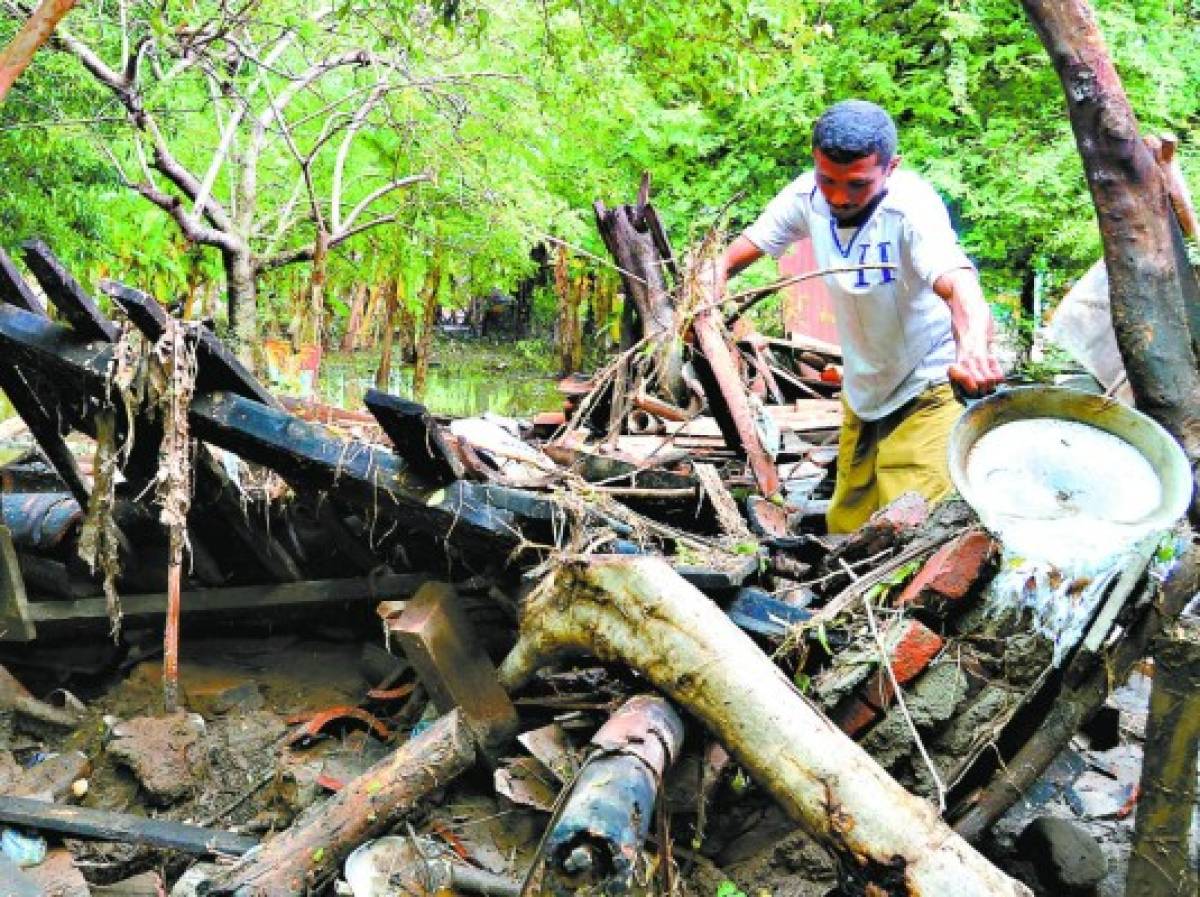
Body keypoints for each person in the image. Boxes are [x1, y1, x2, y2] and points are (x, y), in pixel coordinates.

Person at [712, 99, 1004, 533]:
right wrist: (703, 290)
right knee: (846, 526)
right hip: (864, 392)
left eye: (857, 185)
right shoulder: (806, 197)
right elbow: (731, 258)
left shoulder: (911, 210)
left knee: (909, 527)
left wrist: (974, 350)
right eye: (827, 179)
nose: (837, 197)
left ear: (891, 168)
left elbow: (960, 286)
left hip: (930, 386)